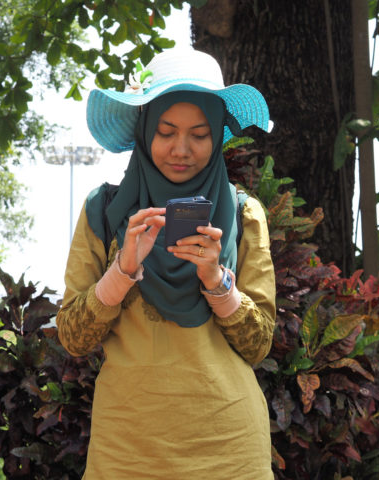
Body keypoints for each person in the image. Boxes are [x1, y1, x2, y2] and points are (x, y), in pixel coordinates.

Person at [56, 47, 276, 479]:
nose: (181, 149)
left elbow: (258, 345)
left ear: (217, 137)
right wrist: (121, 271)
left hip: (229, 448)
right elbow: (73, 339)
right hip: (127, 450)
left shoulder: (244, 215)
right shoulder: (105, 211)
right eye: (166, 131)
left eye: (199, 133)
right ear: (144, 132)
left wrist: (217, 282)